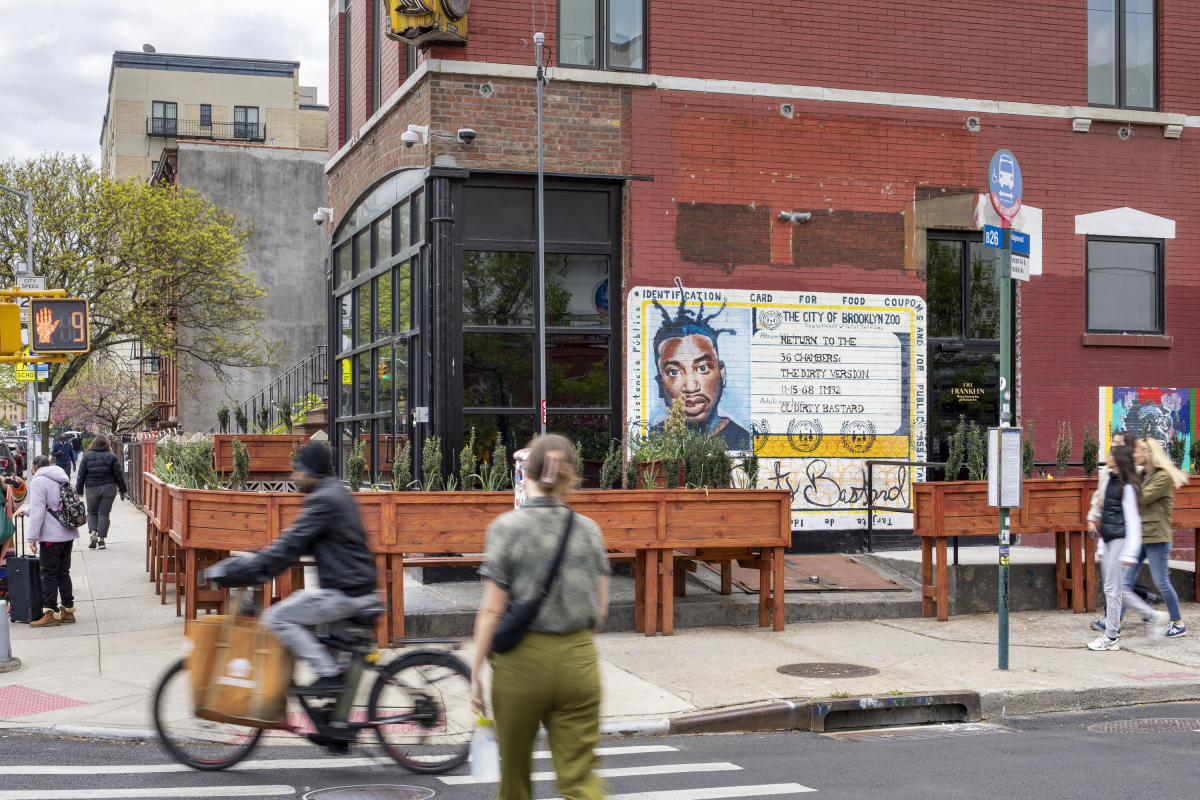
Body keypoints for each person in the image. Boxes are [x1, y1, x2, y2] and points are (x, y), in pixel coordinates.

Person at [472, 433, 610, 800]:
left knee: (515, 778)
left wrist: (475, 673)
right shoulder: (589, 531)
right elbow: (599, 612)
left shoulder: (506, 528)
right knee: (580, 778)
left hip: (521, 665)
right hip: (578, 660)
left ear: (525, 473)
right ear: (571, 475)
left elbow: (491, 610)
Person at [204, 441, 378, 696]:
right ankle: (333, 720)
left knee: (277, 618)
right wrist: (261, 558)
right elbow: (297, 543)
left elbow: (290, 546)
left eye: (298, 470)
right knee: (314, 628)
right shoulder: (335, 492)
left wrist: (242, 570)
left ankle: (329, 676)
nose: (294, 475)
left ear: (311, 472)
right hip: (356, 586)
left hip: (345, 593)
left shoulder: (323, 501)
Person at [649, 279, 749, 449]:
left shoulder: (743, 441)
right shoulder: (651, 441)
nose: (691, 386)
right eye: (674, 372)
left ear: (722, 375)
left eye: (703, 368)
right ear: (660, 385)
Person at [1087, 445, 1165, 650]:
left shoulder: (1128, 486)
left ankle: (1111, 636)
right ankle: (1113, 635)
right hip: (1111, 540)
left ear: (1119, 460)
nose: (1107, 456)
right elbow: (1106, 515)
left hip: (1121, 541)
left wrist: (1131, 551)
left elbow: (1133, 520)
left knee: (1113, 590)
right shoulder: (1111, 480)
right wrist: (1102, 546)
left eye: (1112, 454)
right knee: (1112, 589)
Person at [1124, 437, 1188, 638]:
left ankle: (1177, 623)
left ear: (1148, 454)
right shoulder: (1142, 474)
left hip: (1157, 537)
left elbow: (1141, 497)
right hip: (1140, 536)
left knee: (1161, 582)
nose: (1134, 455)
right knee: (1125, 583)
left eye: (1137, 452)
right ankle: (1113, 623)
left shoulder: (1162, 477)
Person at [21, 454, 79, 628]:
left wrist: (32, 538)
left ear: (35, 467)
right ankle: (68, 611)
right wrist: (26, 511)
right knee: (63, 572)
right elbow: (52, 505)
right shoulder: (61, 477)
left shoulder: (39, 481)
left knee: (48, 574)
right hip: (67, 533)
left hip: (51, 537)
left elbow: (40, 512)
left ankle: (50, 613)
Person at [75, 434, 128, 550]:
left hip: (91, 488)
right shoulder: (111, 456)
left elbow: (81, 475)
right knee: (104, 513)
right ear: (107, 444)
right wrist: (123, 490)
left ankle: (93, 533)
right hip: (108, 488)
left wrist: (79, 491)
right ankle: (101, 541)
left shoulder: (87, 456)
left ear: (93, 443)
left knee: (92, 512)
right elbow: (119, 475)